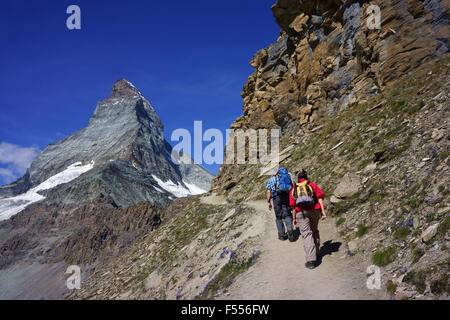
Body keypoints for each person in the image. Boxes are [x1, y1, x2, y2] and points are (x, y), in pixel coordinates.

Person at [290, 169, 326, 269]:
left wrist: (294, 218)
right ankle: (317, 252)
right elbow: (320, 198)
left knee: (306, 234)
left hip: (301, 213)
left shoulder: (294, 188)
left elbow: (293, 206)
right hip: (314, 211)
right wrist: (323, 212)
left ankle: (311, 260)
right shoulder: (312, 185)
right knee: (314, 231)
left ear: (298, 178)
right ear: (306, 177)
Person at [266, 167, 294, 242]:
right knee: (287, 214)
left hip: (276, 199)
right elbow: (293, 186)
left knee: (278, 217)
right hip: (286, 197)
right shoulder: (288, 175)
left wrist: (269, 202)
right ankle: (289, 227)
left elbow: (268, 192)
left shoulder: (271, 179)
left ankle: (282, 235)